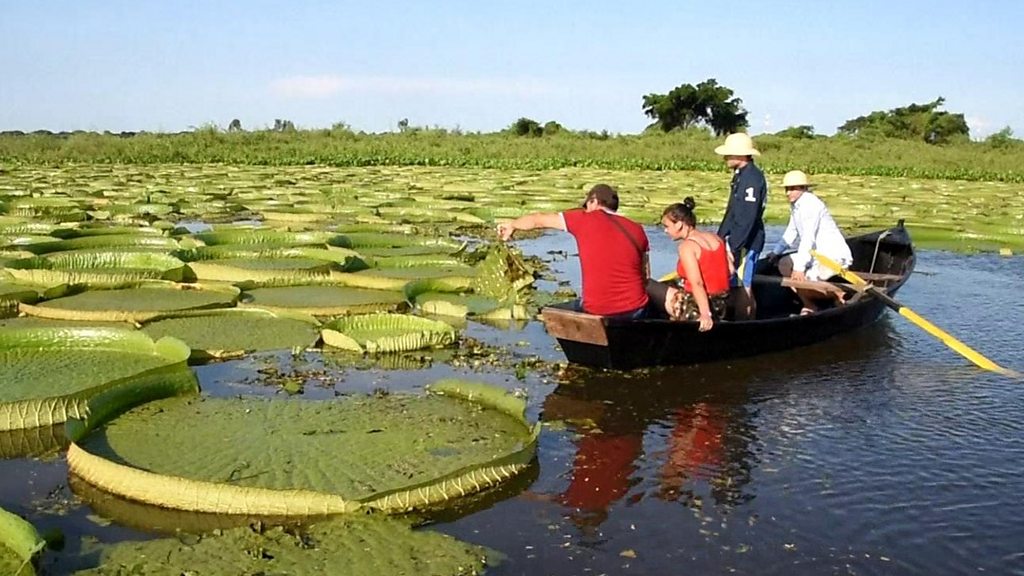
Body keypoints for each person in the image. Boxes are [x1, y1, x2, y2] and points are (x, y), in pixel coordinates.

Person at [497, 183, 650, 318]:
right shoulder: (637, 228)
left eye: (586, 206)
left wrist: (512, 224)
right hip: (636, 310)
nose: (585, 209)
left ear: (594, 201)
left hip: (596, 310)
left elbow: (538, 219)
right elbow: (645, 276)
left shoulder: (583, 219)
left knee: (570, 308)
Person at [767, 170, 853, 315]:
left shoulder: (811, 205)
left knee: (808, 278)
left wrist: (799, 268)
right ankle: (809, 304)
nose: (788, 193)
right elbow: (791, 231)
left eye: (793, 189)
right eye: (787, 189)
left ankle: (838, 294)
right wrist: (776, 252)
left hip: (832, 255)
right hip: (815, 254)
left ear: (803, 189)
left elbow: (808, 237)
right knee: (784, 264)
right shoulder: (796, 205)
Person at [648, 198, 731, 331]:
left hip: (697, 306)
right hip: (721, 303)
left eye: (667, 226)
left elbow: (697, 283)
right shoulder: (716, 239)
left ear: (680, 224)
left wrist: (705, 314)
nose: (665, 231)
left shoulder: (687, 247)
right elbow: (730, 270)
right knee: (669, 283)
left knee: (648, 284)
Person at [714, 132, 767, 320]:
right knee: (734, 283)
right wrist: (719, 239)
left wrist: (733, 245)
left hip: (748, 241)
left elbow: (748, 218)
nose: (726, 158)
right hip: (737, 240)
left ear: (741, 155)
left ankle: (746, 322)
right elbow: (732, 212)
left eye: (729, 154)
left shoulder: (752, 179)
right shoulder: (740, 176)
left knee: (745, 284)